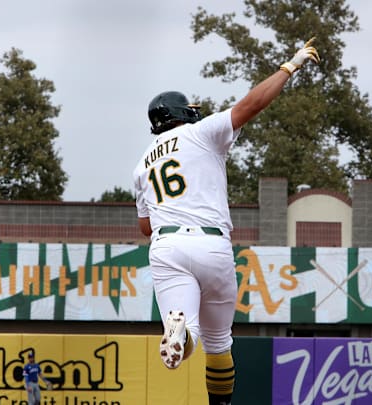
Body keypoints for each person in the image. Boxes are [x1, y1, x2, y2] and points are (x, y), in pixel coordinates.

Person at [132, 38, 320, 405]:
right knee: (219, 344)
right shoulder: (200, 133)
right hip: (211, 243)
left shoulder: (141, 165)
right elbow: (252, 105)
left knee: (189, 331)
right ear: (181, 113)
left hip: (167, 245)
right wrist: (290, 65)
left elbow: (145, 227)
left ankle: (181, 333)